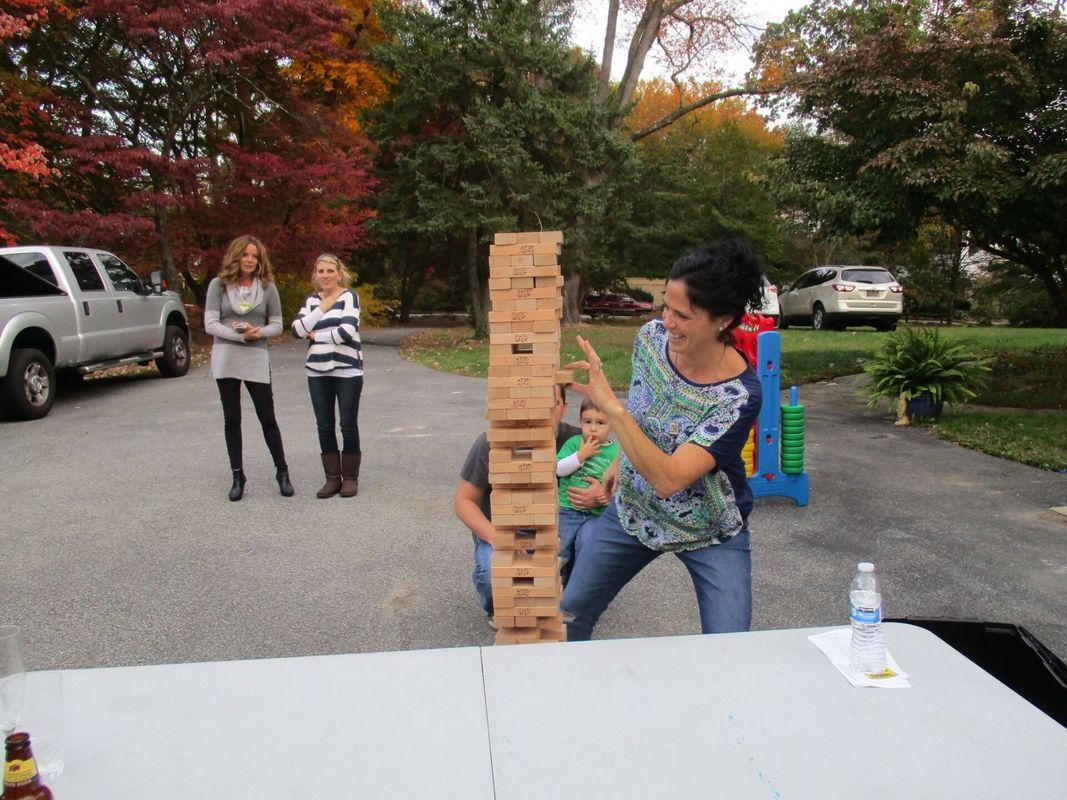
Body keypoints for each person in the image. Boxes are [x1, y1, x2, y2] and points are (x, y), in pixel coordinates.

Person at [561, 239, 765, 641]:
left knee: (731, 647)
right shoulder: (651, 338)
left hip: (708, 528)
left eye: (683, 315)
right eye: (665, 306)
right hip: (634, 509)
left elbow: (670, 480)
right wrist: (620, 462)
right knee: (568, 617)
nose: (667, 321)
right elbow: (645, 412)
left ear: (723, 320)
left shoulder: (738, 397)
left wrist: (611, 411)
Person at [454, 384, 609, 626]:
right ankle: (499, 605)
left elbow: (621, 465)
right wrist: (497, 538)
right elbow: (463, 502)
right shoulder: (491, 442)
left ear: (563, 408)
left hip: (556, 531)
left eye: (553, 403)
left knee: (592, 538)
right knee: (492, 578)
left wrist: (603, 493)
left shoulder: (581, 441)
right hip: (502, 531)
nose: (545, 411)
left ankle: (568, 595)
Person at [204, 235, 293, 501]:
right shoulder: (218, 286)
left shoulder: (267, 288)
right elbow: (211, 323)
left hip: (255, 356)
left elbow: (277, 324)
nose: (250, 260)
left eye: (255, 256)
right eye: (245, 255)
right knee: (232, 419)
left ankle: (282, 472)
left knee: (267, 417)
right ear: (236, 256)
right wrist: (240, 335)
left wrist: (258, 332)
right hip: (226, 356)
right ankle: (237, 475)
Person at [291, 254, 364, 499]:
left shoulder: (349, 297)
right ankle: (332, 478)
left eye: (330, 271)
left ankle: (350, 478)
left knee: (347, 424)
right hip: (317, 371)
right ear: (315, 274)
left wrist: (316, 335)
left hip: (347, 371)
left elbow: (346, 331)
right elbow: (297, 330)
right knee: (324, 426)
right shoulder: (311, 301)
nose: (325, 275)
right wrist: (321, 308)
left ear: (339, 273)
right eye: (320, 271)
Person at [555, 397, 620, 586]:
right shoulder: (575, 444)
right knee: (560, 552)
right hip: (567, 509)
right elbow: (559, 469)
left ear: (613, 426)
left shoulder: (615, 452)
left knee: (587, 550)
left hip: (596, 515)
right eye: (587, 422)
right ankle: (557, 592)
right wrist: (580, 456)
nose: (593, 428)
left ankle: (577, 591)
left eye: (600, 423)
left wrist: (605, 495)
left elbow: (619, 484)